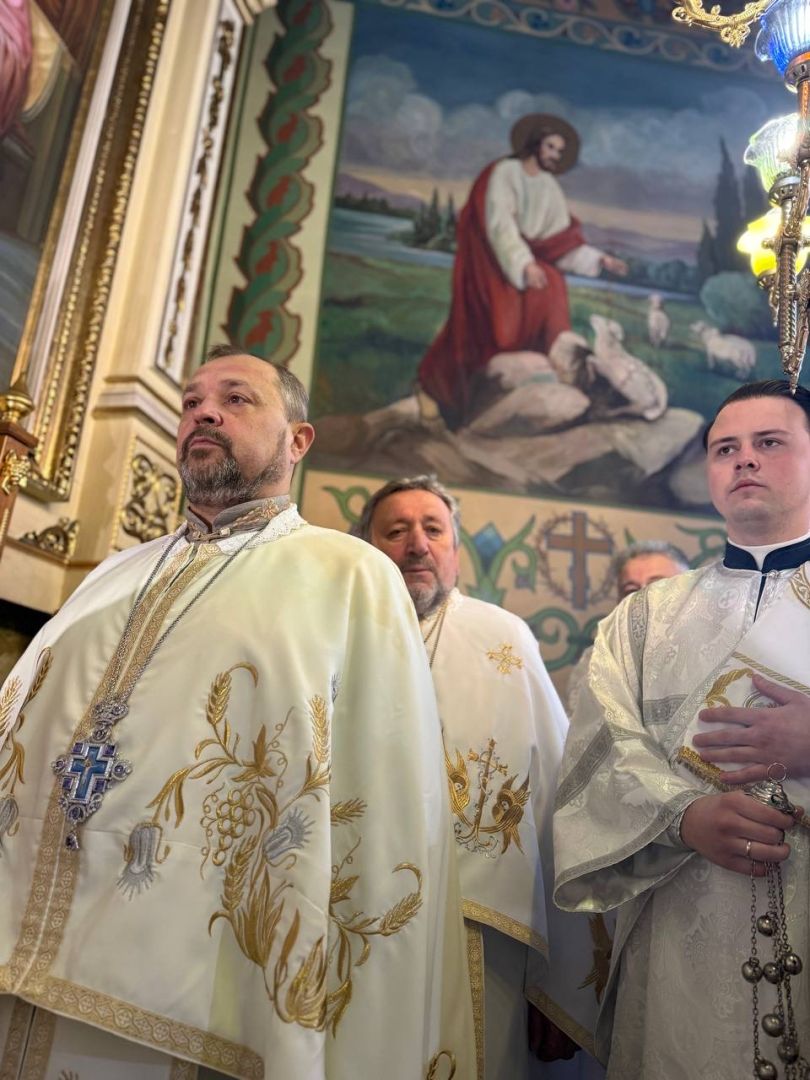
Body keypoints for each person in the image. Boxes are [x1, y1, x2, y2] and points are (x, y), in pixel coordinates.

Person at [0, 347, 475, 1079]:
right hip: (23, 959)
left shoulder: (349, 574)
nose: (205, 413)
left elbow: (386, 802)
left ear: (298, 440)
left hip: (199, 982)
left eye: (236, 399)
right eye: (191, 402)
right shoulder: (113, 573)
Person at [554, 379, 810, 1078]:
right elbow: (600, 747)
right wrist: (683, 815)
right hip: (684, 931)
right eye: (725, 448)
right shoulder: (643, 618)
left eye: (769, 442)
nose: (744, 459)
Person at [356, 475, 597, 1080]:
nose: (417, 544)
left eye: (433, 530)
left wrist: (559, 979)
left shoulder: (503, 638)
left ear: (456, 551)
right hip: (352, 917)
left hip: (483, 934)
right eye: (396, 531)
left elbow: (558, 801)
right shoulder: (337, 633)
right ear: (366, 548)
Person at [417, 113, 627, 429]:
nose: (555, 155)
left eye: (560, 151)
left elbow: (559, 242)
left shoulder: (549, 187)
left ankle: (544, 381)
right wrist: (524, 264)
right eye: (551, 147)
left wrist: (601, 260)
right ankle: (441, 391)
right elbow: (499, 226)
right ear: (535, 144)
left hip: (528, 266)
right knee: (499, 328)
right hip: (493, 263)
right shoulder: (505, 172)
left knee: (552, 285)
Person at [567, 540, 690, 714]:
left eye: (659, 585)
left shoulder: (718, 649)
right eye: (631, 590)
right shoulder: (597, 661)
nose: (643, 597)